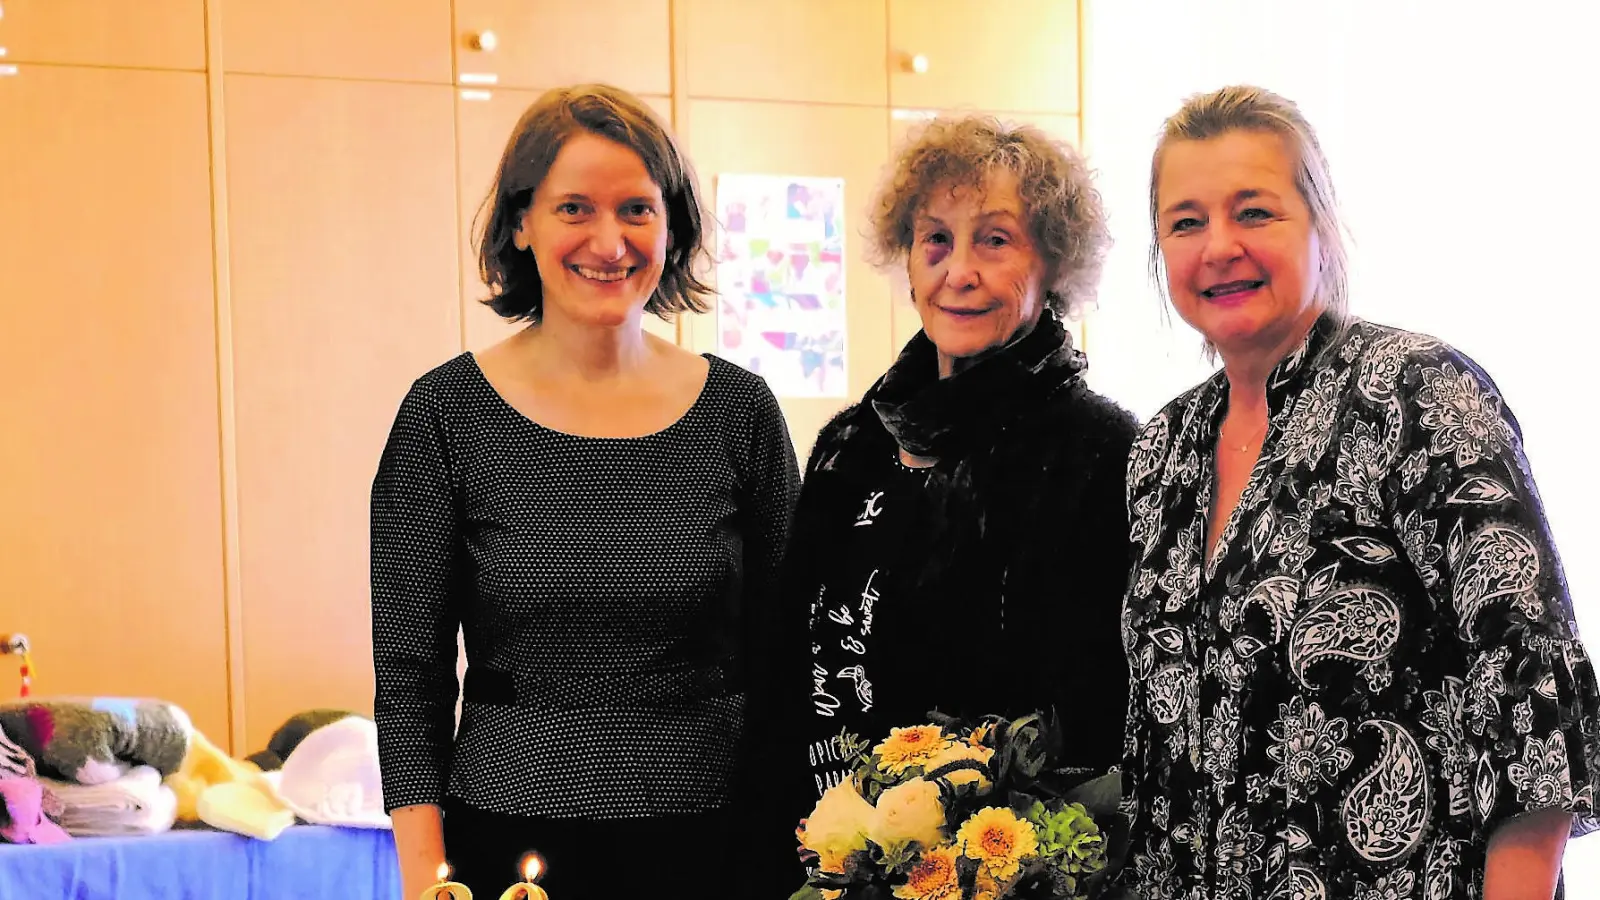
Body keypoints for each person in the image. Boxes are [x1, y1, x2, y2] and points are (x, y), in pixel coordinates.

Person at [1120, 84, 1600, 900]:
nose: (1219, 247)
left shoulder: (1414, 392)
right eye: (1187, 221)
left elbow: (1530, 693)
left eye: (1255, 212)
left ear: (1320, 229)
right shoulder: (1160, 453)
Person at [369, 84, 801, 900]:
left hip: (717, 844)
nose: (610, 241)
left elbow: (786, 663)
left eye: (637, 209)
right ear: (522, 223)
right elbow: (410, 676)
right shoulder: (445, 414)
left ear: (672, 226)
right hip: (508, 842)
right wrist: (428, 881)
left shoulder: (740, 412)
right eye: (575, 208)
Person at [754, 115, 1139, 892]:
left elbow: (1103, 712)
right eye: (936, 241)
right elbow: (786, 670)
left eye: (995, 241)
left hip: (1004, 871)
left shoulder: (1100, 449)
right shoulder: (852, 442)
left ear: (1053, 263)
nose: (958, 271)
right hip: (830, 855)